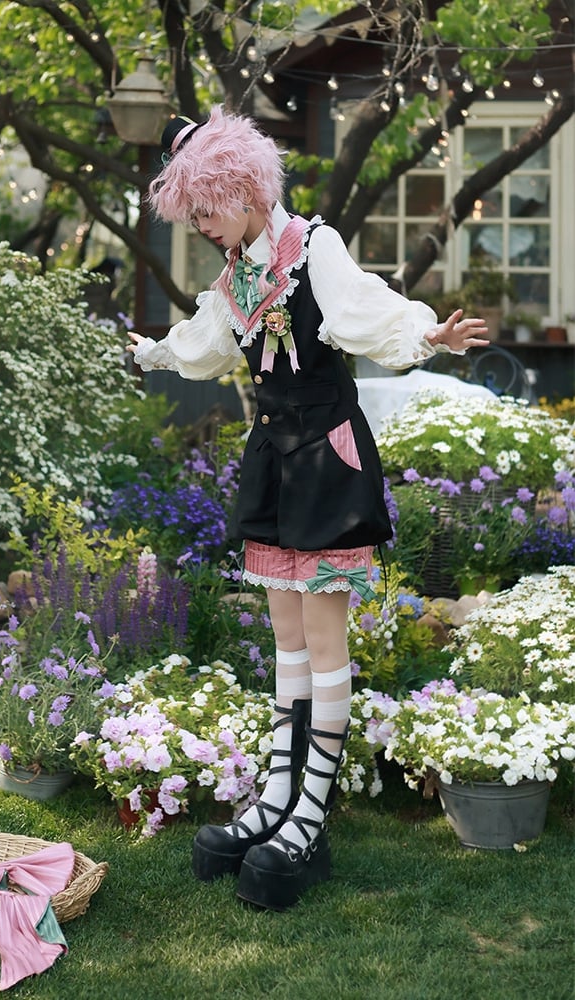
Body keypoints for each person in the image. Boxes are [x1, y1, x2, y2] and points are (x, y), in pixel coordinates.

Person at [126, 106, 488, 911]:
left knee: (323, 641)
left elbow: (364, 310)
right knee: (286, 638)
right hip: (274, 460)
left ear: (245, 187)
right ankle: (278, 801)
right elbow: (203, 341)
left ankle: (309, 818)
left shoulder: (311, 248)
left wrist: (430, 336)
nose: (206, 226)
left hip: (326, 456)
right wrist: (149, 352)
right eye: (194, 216)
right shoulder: (235, 280)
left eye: (209, 209)